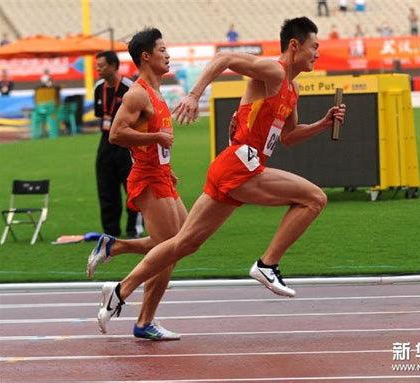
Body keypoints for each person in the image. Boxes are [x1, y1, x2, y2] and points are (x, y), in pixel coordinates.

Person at [96, 17, 346, 333]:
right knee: (314, 198)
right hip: (242, 166)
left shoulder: (292, 89)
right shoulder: (273, 72)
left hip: (231, 169)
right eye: (315, 46)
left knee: (183, 243)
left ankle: (119, 291)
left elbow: (289, 135)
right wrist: (194, 94)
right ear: (295, 45)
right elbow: (224, 59)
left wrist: (323, 124)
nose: (318, 54)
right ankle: (267, 265)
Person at [89, 29, 187, 340]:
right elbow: (116, 133)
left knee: (183, 240)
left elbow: (157, 144)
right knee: (169, 248)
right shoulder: (138, 94)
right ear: (146, 56)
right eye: (162, 49)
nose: (167, 54)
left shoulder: (158, 95)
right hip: (146, 178)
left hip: (162, 175)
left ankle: (114, 247)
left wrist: (167, 165)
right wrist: (155, 137)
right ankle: (130, 304)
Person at [94, 51, 139, 239]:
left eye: (102, 66)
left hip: (126, 143)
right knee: (106, 187)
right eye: (97, 66)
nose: (98, 69)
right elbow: (101, 114)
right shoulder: (98, 88)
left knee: (131, 187)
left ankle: (133, 229)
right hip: (106, 142)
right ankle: (110, 231)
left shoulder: (129, 87)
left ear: (113, 66)